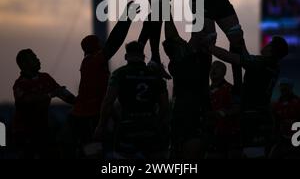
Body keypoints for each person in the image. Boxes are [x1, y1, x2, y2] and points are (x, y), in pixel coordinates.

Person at [59, 1, 140, 158]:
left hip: (85, 115)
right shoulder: (94, 62)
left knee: (92, 149)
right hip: (87, 117)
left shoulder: (89, 64)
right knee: (93, 150)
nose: (103, 45)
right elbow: (114, 42)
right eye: (100, 44)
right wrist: (126, 17)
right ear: (96, 47)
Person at [207, 35, 289, 156]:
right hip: (260, 115)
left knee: (252, 153)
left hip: (253, 117)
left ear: (271, 50)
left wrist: (209, 47)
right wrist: (241, 46)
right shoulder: (272, 66)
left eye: (269, 44)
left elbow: (230, 57)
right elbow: (248, 60)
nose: (265, 45)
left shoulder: (262, 63)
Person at [94, 41, 169, 159]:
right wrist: (156, 122)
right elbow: (164, 106)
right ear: (144, 57)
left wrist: (101, 125)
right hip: (150, 128)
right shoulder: (156, 75)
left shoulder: (119, 74)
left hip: (127, 127)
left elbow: (108, 101)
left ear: (126, 57)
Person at [162, 17, 211, 159]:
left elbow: (172, 37)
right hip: (187, 114)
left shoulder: (192, 57)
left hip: (191, 115)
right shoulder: (194, 56)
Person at [12, 49, 75, 159]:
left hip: (44, 130)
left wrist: (80, 101)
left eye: (36, 57)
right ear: (24, 64)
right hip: (24, 132)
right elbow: (27, 100)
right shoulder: (20, 84)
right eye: (34, 58)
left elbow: (63, 93)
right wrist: (50, 94)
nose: (38, 60)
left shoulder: (46, 78)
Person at [208, 61, 240, 158]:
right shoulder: (205, 92)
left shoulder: (231, 89)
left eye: (217, 67)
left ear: (224, 72)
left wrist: (222, 113)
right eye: (212, 67)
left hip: (227, 135)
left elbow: (238, 108)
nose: (213, 70)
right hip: (209, 135)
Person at [270, 78, 300, 158]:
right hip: (281, 138)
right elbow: (275, 121)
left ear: (290, 88)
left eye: (286, 87)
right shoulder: (276, 105)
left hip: (296, 138)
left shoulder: (297, 103)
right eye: (282, 87)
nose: (283, 89)